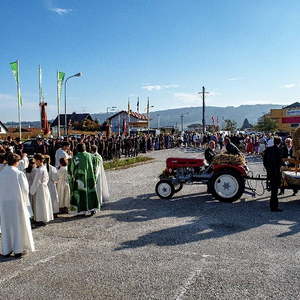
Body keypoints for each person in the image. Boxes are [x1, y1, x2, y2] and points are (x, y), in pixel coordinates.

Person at [0, 153, 35, 258]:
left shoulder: (1, 173)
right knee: (18, 226)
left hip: (4, 203)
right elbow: (25, 189)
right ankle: (18, 249)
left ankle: (7, 249)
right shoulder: (19, 173)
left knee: (6, 226)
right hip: (17, 203)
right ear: (17, 162)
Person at [69, 143, 99, 216]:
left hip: (80, 179)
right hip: (90, 178)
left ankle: (82, 211)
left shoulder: (76, 158)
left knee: (81, 194)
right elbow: (96, 166)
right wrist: (95, 176)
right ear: (85, 148)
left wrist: (71, 178)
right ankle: (92, 209)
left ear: (77, 149)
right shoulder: (91, 156)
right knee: (91, 193)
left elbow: (71, 169)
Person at [30, 154, 54, 225]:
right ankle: (44, 218)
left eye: (35, 160)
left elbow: (36, 182)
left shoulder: (39, 170)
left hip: (39, 189)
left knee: (39, 204)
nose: (34, 162)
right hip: (44, 188)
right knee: (44, 203)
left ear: (38, 161)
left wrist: (31, 191)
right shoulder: (44, 168)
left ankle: (40, 219)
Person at [263, 136, 283, 212]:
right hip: (275, 173)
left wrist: (268, 169)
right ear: (279, 143)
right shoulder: (277, 150)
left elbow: (264, 161)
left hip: (270, 173)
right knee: (274, 192)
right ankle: (274, 207)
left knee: (273, 191)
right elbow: (279, 163)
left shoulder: (268, 150)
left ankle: (273, 206)